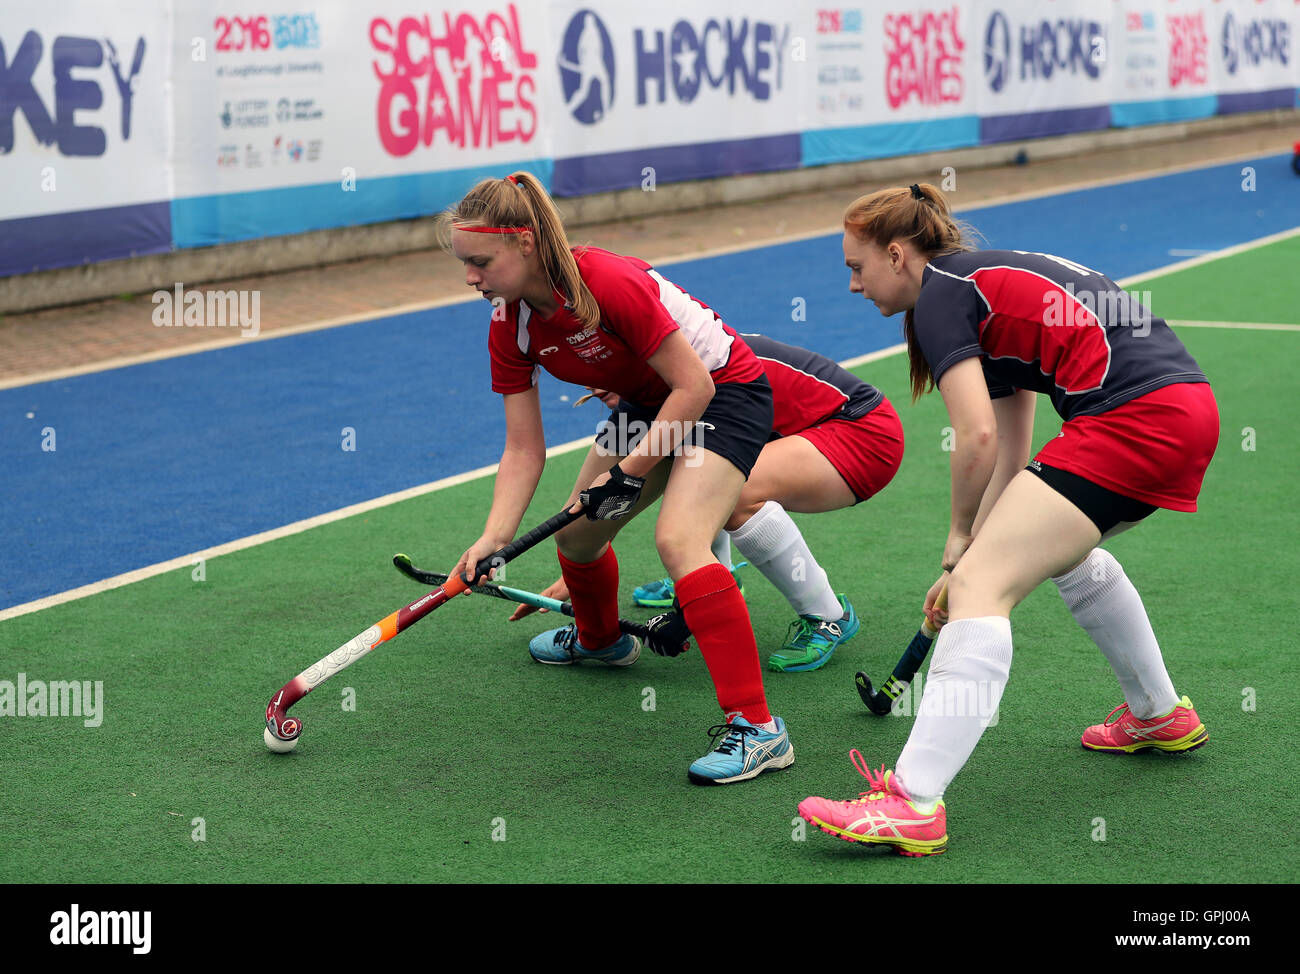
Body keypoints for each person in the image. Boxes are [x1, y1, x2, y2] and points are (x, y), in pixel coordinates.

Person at [797, 182, 1218, 855]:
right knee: (1060, 552)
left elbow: (977, 440)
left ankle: (913, 802)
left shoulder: (939, 296)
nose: (854, 284)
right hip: (1183, 410)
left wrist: (961, 546)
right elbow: (1011, 434)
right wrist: (982, 543)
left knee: (979, 591)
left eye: (857, 266)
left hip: (1134, 418)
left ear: (898, 255)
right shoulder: (971, 286)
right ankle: (1158, 714)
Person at [447, 171, 791, 785]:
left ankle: (760, 730)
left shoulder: (605, 282)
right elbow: (524, 447)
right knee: (577, 537)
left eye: (480, 262)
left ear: (524, 243)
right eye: (465, 264)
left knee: (679, 540)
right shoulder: (511, 322)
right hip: (647, 404)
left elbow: (696, 385)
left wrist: (628, 475)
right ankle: (602, 642)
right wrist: (493, 538)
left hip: (724, 393)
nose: (471, 277)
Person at [510, 333, 906, 672]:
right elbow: (599, 505)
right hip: (802, 434)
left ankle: (828, 616)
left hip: (860, 431)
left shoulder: (696, 373)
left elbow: (706, 479)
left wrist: (689, 599)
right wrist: (584, 577)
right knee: (694, 466)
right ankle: (717, 573)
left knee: (733, 490)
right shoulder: (642, 395)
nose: (594, 388)